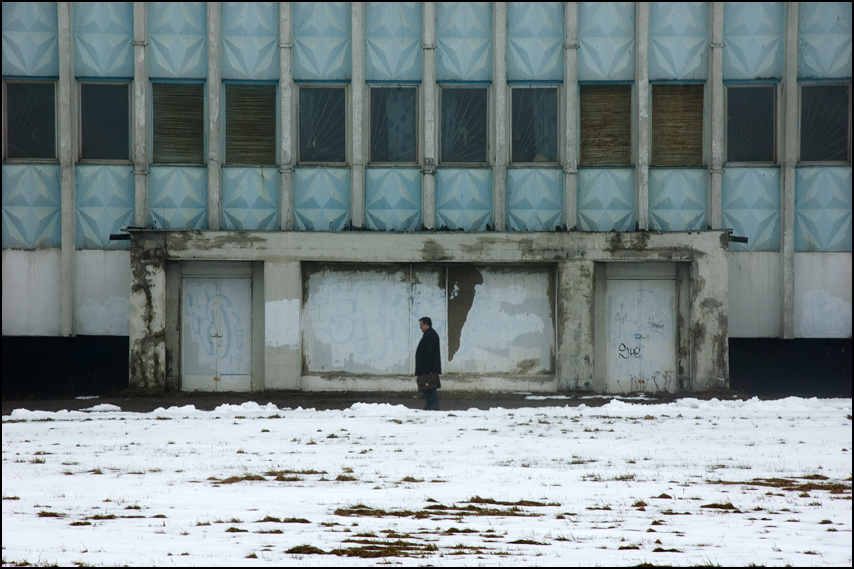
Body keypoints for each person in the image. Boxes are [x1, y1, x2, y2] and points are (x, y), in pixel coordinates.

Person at [415, 316, 442, 410]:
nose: (420, 327)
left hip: (428, 369)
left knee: (430, 388)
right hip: (427, 368)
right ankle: (430, 406)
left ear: (426, 325)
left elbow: (430, 354)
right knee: (428, 388)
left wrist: (428, 369)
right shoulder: (429, 334)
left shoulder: (430, 335)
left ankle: (433, 406)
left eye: (421, 325)